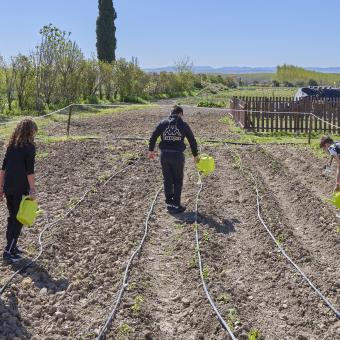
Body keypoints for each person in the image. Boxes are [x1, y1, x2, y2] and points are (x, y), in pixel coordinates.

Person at [148, 105, 199, 214]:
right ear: (181, 113)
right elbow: (192, 140)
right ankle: (176, 205)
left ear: (171, 113)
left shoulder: (162, 123)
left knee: (167, 179)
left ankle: (169, 203)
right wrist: (195, 155)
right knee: (177, 180)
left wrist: (151, 150)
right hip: (177, 156)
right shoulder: (183, 125)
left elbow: (153, 136)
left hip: (164, 155)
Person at [1, 118, 37, 262]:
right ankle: (8, 251)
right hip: (20, 188)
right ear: (30, 131)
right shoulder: (29, 147)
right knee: (18, 219)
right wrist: (33, 189)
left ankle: (12, 246)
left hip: (9, 187)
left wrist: (0, 188)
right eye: (34, 131)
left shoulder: (11, 146)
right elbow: (30, 171)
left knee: (12, 216)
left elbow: (3, 169)